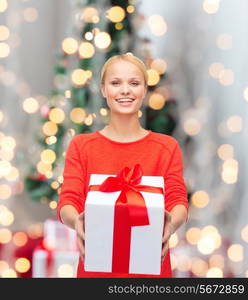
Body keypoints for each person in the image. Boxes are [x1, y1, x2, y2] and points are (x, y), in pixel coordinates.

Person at [57, 53, 188, 278]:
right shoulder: (82, 146)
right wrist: (77, 221)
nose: (125, 90)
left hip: (151, 271)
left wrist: (170, 225)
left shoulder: (166, 147)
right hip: (95, 271)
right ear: (103, 89)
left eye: (134, 83)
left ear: (145, 90)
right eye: (116, 83)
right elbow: (68, 201)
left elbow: (178, 201)